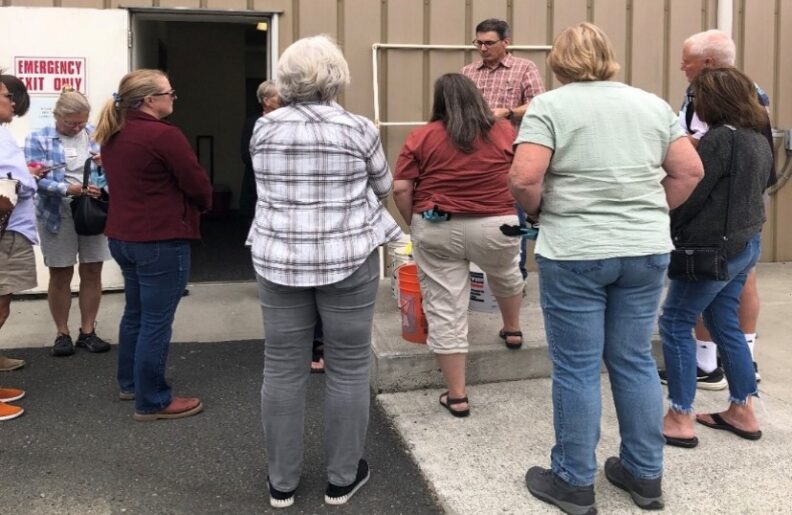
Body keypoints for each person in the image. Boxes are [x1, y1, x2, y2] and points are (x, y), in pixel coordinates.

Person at [509, 23, 703, 514]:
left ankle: (574, 481)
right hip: (644, 249)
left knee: (576, 367)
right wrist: (650, 212)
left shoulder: (549, 106)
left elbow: (525, 176)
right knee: (634, 359)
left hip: (575, 250)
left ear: (558, 62)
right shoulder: (652, 104)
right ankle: (644, 474)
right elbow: (689, 171)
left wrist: (539, 212)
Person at [248, 35, 401, 508]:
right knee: (349, 366)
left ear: (286, 79)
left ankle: (282, 483)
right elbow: (384, 186)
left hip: (278, 258)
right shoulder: (358, 129)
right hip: (346, 257)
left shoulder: (264, 128)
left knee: (282, 368)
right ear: (336, 77)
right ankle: (341, 478)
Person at [393, 73, 524, 418]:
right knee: (506, 274)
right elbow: (521, 175)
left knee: (444, 307)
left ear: (440, 102)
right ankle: (512, 330)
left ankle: (458, 396)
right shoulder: (504, 132)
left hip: (438, 226)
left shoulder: (422, 136)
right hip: (497, 224)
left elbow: (401, 189)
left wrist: (414, 223)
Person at [660, 67, 772, 449]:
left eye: (696, 97)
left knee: (674, 322)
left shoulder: (720, 140)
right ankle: (742, 408)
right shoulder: (759, 136)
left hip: (711, 252)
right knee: (725, 321)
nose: (694, 104)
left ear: (712, 100)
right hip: (745, 244)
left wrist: (667, 223)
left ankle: (679, 415)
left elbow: (690, 192)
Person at [93, 69, 212, 421]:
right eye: (169, 92)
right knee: (156, 320)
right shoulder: (163, 136)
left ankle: (131, 383)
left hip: (122, 236)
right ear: (149, 100)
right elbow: (196, 181)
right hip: (160, 238)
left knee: (136, 313)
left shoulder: (112, 133)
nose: (173, 97)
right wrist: (205, 205)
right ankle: (153, 400)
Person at [673, 29, 773, 388]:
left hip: (722, 202)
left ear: (709, 63)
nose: (682, 66)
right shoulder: (733, 94)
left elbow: (703, 164)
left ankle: (696, 387)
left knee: (709, 287)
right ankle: (726, 364)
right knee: (729, 289)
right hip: (736, 199)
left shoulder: (727, 100)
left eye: (687, 60)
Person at [24, 87, 111, 358]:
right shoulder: (37, 138)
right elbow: (33, 179)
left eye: (81, 122)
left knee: (93, 270)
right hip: (56, 212)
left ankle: (88, 331)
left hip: (92, 210)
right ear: (56, 116)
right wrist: (66, 189)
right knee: (60, 273)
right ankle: (62, 333)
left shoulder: (97, 135)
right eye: (70, 122)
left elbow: (114, 171)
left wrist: (103, 185)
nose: (76, 127)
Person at [462, 18, 545, 280]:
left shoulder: (524, 68)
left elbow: (538, 105)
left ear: (506, 42)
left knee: (513, 215)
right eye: (479, 43)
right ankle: (478, 277)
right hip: (474, 154)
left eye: (489, 43)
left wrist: (509, 112)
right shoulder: (468, 72)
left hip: (510, 155)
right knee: (474, 214)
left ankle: (514, 276)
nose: (483, 48)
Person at [0, 73, 47, 421]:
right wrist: (26, 181)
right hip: (4, 231)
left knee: (2, 306)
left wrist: (26, 176)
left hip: (10, 230)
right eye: (5, 96)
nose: (11, 101)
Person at [239, 80, 280, 219]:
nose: (283, 99)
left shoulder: (286, 121)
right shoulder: (253, 123)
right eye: (278, 95)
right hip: (256, 186)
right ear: (266, 100)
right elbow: (246, 155)